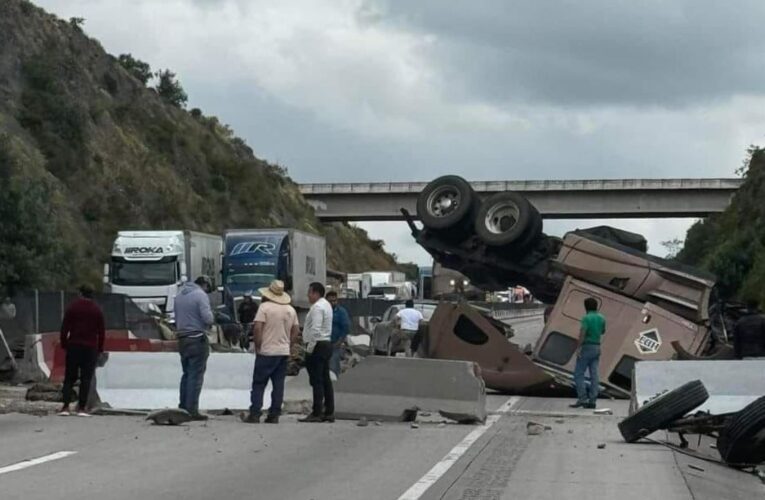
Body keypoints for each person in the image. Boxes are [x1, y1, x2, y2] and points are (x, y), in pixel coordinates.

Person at [241, 280, 299, 424]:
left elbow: (258, 328)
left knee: (259, 383)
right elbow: (296, 329)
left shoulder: (264, 308)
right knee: (278, 384)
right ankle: (274, 414)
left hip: (267, 351)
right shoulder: (290, 310)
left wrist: (258, 345)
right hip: (283, 352)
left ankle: (255, 413)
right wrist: (289, 343)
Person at [58, 285, 105, 417]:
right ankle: (82, 408)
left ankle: (65, 406)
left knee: (69, 378)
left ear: (80, 293)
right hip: (90, 348)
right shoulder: (97, 310)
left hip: (74, 346)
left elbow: (64, 328)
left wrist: (65, 344)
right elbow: (101, 332)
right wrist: (100, 349)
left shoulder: (72, 307)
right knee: (86, 378)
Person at [175, 276, 214, 420]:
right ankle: (192, 410)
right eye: (207, 288)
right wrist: (213, 317)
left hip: (182, 339)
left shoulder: (179, 296)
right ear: (204, 284)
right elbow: (208, 318)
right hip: (197, 338)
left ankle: (183, 406)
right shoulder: (200, 295)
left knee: (186, 374)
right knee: (196, 376)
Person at [299, 282, 334, 423]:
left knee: (317, 380)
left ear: (315, 293)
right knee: (325, 379)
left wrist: (310, 348)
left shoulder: (317, 308)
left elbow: (315, 330)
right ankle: (329, 411)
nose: (308, 295)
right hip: (325, 343)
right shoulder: (326, 305)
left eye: (310, 292)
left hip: (318, 345)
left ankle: (317, 412)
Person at [570, 297, 606, 409]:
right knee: (594, 374)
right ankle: (592, 401)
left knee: (578, 374)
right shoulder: (602, 318)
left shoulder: (586, 318)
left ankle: (582, 399)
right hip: (597, 347)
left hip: (587, 346)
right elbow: (603, 331)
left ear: (586, 307)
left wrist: (578, 347)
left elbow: (582, 333)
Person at [326, 291, 350, 376]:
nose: (332, 303)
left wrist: (339, 341)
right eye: (330, 301)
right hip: (324, 343)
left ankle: (335, 384)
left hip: (335, 343)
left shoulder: (341, 312)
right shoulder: (323, 311)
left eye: (334, 301)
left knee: (333, 365)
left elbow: (345, 328)